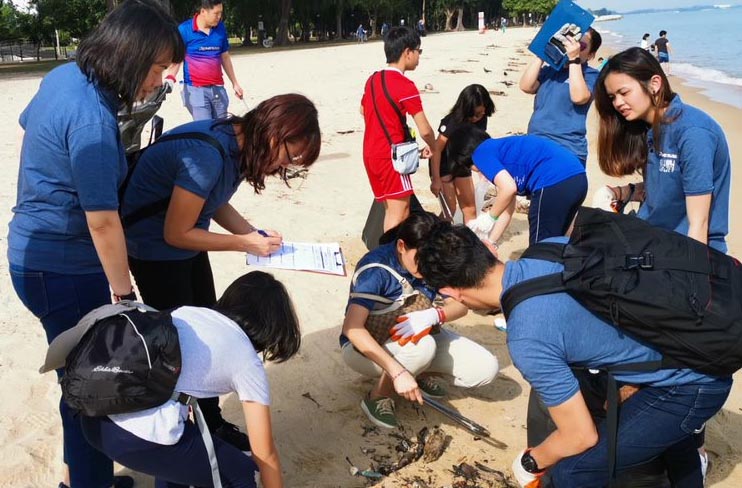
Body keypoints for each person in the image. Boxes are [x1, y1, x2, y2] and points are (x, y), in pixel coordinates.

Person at [7, 2, 183, 487]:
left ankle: (79, 478)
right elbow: (103, 222)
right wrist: (124, 296)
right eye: (156, 68)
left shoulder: (65, 77)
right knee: (93, 390)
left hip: (30, 252)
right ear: (129, 55)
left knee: (76, 379)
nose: (159, 80)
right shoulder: (93, 122)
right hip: (62, 268)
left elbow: (29, 122)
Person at [415, 224, 733, 488]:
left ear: (451, 293)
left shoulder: (526, 336)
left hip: (692, 383)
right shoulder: (548, 248)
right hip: (692, 342)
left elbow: (581, 436)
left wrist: (531, 460)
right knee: (658, 431)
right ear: (489, 248)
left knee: (573, 473)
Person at [120, 93, 320, 449]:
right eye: (288, 158)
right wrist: (245, 244)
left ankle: (211, 421)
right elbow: (175, 233)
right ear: (275, 134)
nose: (282, 169)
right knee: (181, 343)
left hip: (185, 243)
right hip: (154, 248)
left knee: (210, 321)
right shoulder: (209, 153)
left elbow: (212, 200)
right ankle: (177, 432)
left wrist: (249, 233)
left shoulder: (238, 142)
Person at [80, 271, 301, 488]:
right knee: (243, 473)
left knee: (181, 447)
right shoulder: (247, 362)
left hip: (94, 417)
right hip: (133, 439)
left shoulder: (190, 312)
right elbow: (264, 453)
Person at [341, 212, 498, 428]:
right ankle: (377, 397)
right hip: (367, 347)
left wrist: (435, 314)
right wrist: (398, 371)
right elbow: (353, 329)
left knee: (485, 368)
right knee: (423, 348)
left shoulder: (434, 258)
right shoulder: (376, 270)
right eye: (420, 258)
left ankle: (418, 371)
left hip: (416, 336)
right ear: (402, 246)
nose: (426, 266)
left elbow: (462, 304)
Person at [595, 47, 730, 254]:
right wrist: (624, 192)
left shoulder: (692, 132)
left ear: (654, 84)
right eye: (613, 97)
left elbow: (699, 224)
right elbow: (669, 184)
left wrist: (693, 281)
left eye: (624, 93)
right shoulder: (648, 126)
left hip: (682, 250)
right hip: (650, 238)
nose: (618, 103)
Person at [446, 127, 587, 248]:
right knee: (562, 240)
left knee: (541, 248)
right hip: (578, 178)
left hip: (553, 181)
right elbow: (507, 208)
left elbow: (509, 188)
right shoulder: (502, 151)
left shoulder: (481, 153)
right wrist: (490, 241)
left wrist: (489, 217)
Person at [360, 26, 437, 232]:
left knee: (389, 208)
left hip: (370, 153)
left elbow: (362, 109)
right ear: (407, 52)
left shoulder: (372, 80)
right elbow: (425, 130)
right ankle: (392, 258)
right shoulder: (405, 86)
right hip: (391, 159)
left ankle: (390, 254)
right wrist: (434, 146)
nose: (419, 57)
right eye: (418, 51)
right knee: (400, 213)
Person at [519, 27, 603, 166]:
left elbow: (579, 97)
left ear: (590, 55)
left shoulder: (591, 75)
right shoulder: (550, 71)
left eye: (580, 46)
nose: (573, 47)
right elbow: (526, 86)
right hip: (536, 142)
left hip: (567, 148)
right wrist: (543, 53)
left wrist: (574, 60)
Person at [166, 0, 244, 120]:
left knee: (221, 129)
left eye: (221, 13)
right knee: (205, 129)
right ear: (203, 11)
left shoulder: (220, 28)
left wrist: (235, 83)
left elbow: (225, 56)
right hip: (196, 90)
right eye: (216, 13)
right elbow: (177, 59)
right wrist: (170, 78)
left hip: (218, 88)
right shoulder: (185, 30)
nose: (219, 17)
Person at [429, 84, 496, 224]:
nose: (476, 118)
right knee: (450, 210)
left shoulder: (482, 119)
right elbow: (437, 150)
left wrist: (481, 168)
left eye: (480, 113)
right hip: (443, 164)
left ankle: (468, 243)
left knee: (470, 209)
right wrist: (436, 179)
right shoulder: (452, 121)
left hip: (462, 162)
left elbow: (476, 144)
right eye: (473, 114)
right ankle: (431, 237)